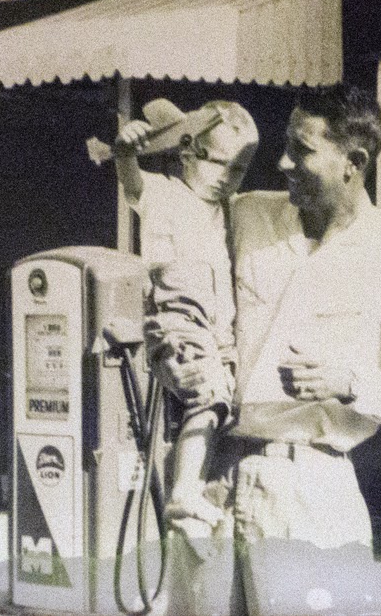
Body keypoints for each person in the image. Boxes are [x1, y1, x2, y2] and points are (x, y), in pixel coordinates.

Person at [159, 85, 381, 616]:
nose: (282, 161)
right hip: (211, 482)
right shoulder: (244, 217)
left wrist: (352, 381)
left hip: (311, 494)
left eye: (303, 150)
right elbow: (181, 273)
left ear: (353, 162)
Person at [110, 97, 259, 530]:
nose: (227, 180)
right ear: (187, 151)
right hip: (176, 321)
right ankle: (182, 493)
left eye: (239, 170)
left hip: (216, 331)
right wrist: (124, 152)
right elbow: (131, 183)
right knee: (208, 395)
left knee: (220, 406)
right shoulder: (164, 194)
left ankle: (190, 483)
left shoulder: (227, 213)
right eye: (219, 165)